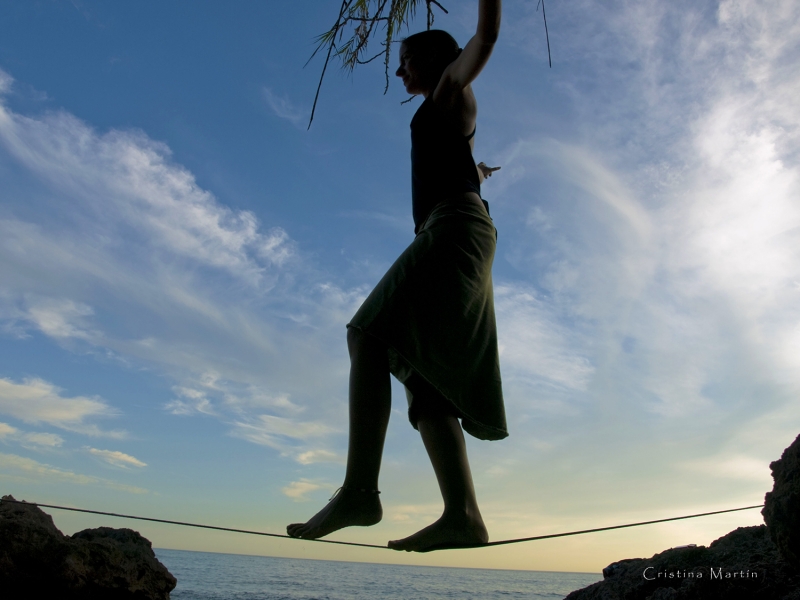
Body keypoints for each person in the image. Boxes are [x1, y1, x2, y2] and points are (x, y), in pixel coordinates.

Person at [287, 0, 505, 553]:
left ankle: (360, 492)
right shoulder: (443, 112)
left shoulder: (453, 88)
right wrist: (473, 172)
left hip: (454, 228)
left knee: (368, 333)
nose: (399, 70)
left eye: (406, 60)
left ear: (437, 59)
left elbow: (485, 36)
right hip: (456, 224)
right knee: (424, 382)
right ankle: (464, 517)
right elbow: (455, 161)